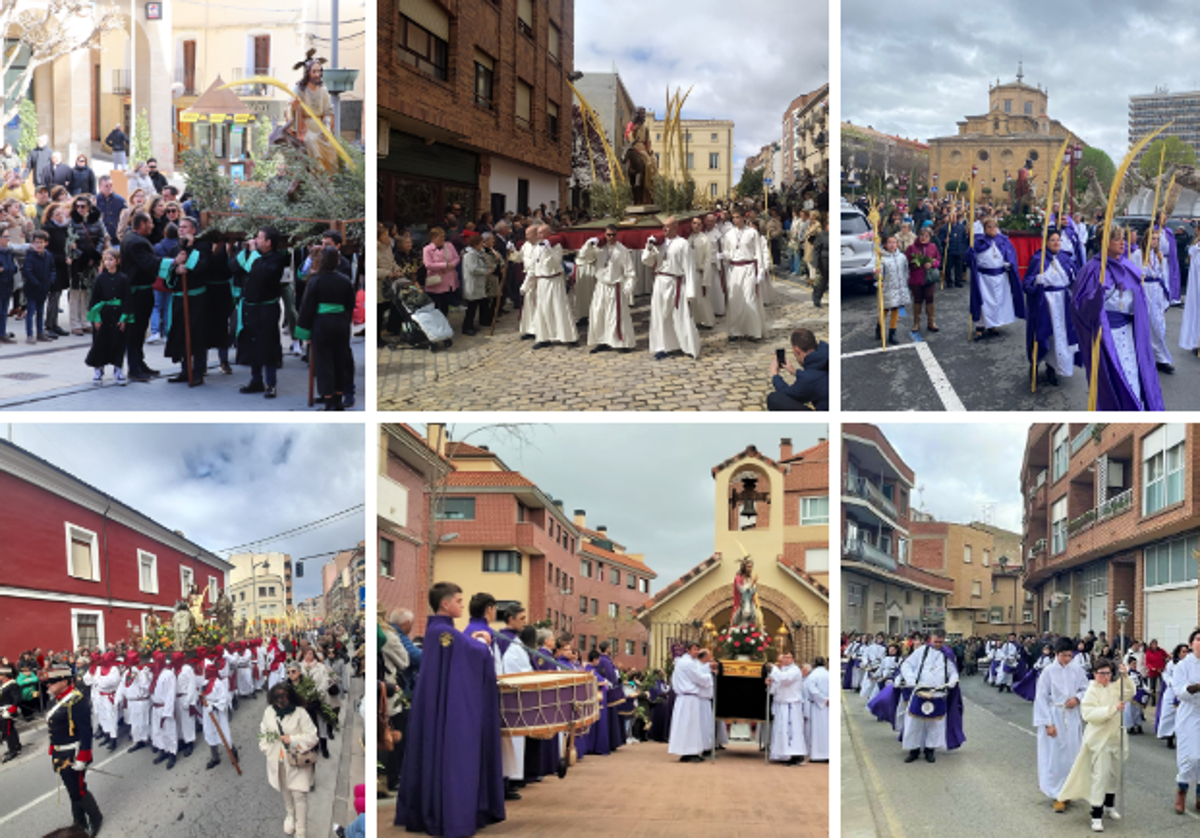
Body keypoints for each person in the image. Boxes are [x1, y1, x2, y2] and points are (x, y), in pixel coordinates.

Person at [396, 582, 506, 837]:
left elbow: (462, 649)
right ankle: (452, 817)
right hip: (448, 710)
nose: (461, 604)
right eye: (458, 600)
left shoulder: (441, 632)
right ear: (445, 604)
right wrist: (482, 640)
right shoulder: (443, 633)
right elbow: (472, 653)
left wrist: (474, 640)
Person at [1071, 225, 1164, 410]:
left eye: (1123, 238)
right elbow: (1079, 307)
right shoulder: (1091, 269)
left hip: (1129, 333)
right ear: (1104, 242)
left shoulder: (1128, 265)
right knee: (1115, 377)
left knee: (1134, 374)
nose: (1123, 242)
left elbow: (1137, 299)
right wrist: (1096, 296)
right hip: (1107, 337)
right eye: (1117, 239)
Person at [1057, 658, 1133, 832]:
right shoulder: (1091, 691)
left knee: (1115, 773)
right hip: (1100, 740)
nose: (1105, 677)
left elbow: (1129, 692)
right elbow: (1089, 715)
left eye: (1108, 673)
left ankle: (1109, 806)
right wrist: (1112, 709)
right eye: (1101, 674)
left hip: (1117, 737)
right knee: (1101, 775)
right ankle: (1096, 814)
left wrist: (1125, 676)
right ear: (1094, 674)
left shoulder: (1115, 687)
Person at [45, 664, 103, 836]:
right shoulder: (55, 699)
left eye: (52, 681)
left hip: (73, 754)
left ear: (64, 681)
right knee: (72, 790)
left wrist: (83, 757)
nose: (49, 685)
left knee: (79, 790)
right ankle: (79, 821)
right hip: (59, 753)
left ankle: (96, 818)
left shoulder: (77, 700)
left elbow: (86, 731)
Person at [296, 245, 356, 409]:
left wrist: (305, 333)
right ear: (337, 261)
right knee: (339, 361)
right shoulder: (345, 280)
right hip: (340, 324)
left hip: (321, 324)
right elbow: (350, 304)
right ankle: (338, 399)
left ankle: (329, 401)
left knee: (324, 363)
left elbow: (307, 307)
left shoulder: (315, 281)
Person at [233, 226, 287, 398]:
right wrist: (246, 252)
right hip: (250, 307)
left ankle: (270, 383)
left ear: (268, 242)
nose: (255, 240)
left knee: (268, 345)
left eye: (259, 238)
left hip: (267, 308)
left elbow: (261, 273)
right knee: (252, 345)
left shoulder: (276, 259)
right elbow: (233, 267)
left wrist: (254, 253)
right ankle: (256, 381)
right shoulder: (253, 255)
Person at [1036, 638, 1089, 812]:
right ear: (1057, 654)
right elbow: (1041, 698)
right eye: (1065, 655)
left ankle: (1069, 791)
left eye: (1070, 655)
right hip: (1055, 714)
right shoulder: (1048, 672)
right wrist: (1047, 723)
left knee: (1072, 754)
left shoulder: (1077, 670)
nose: (1068, 659)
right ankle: (1056, 793)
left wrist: (1077, 699)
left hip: (1071, 716)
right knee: (1055, 756)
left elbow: (1085, 688)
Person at [261, 682, 319, 838]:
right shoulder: (269, 712)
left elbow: (312, 737)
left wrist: (292, 739)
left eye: (283, 699)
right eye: (276, 700)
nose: (280, 703)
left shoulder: (300, 713)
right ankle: (290, 815)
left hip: (297, 760)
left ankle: (301, 830)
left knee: (299, 795)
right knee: (285, 790)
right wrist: (266, 749)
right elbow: (263, 731)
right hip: (277, 760)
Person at [1023, 230, 1079, 386]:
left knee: (1058, 336)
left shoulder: (1065, 258)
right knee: (1042, 333)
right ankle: (1035, 363)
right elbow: (1026, 284)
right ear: (1046, 242)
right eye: (1053, 240)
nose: (1056, 243)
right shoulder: (1038, 259)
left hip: (1062, 304)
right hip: (1045, 304)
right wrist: (1036, 280)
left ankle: (1052, 367)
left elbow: (1075, 278)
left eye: (1058, 240)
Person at [642, 216, 700, 360]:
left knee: (680, 315)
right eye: (663, 226)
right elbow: (648, 262)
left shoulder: (683, 244)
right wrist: (649, 248)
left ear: (676, 226)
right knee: (660, 315)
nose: (664, 229)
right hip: (660, 281)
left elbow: (689, 268)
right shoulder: (659, 243)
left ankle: (686, 345)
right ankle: (663, 346)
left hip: (676, 282)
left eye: (668, 226)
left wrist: (690, 292)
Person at [898, 631, 960, 763]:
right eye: (935, 641)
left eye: (940, 642)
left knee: (935, 724)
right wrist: (911, 680)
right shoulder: (921, 651)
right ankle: (913, 750)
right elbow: (907, 665)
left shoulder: (946, 654)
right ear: (930, 640)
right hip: (920, 691)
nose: (938, 644)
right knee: (914, 723)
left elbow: (953, 672)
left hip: (938, 693)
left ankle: (930, 749)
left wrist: (952, 681)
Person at [163, 216, 209, 386]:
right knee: (181, 334)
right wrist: (176, 268)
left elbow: (200, 267)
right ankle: (185, 370)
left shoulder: (202, 247)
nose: (181, 229)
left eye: (185, 227)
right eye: (179, 227)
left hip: (197, 298)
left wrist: (188, 256)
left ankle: (198, 371)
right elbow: (167, 273)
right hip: (179, 298)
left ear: (194, 230)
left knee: (197, 334)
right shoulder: (175, 248)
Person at [578, 226, 636, 353]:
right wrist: (589, 244)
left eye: (613, 235)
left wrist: (628, 287)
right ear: (604, 234)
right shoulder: (598, 248)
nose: (611, 237)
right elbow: (583, 256)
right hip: (600, 286)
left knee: (616, 316)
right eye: (608, 235)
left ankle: (621, 342)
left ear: (617, 235)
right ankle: (602, 341)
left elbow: (630, 271)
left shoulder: (622, 250)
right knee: (599, 314)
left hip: (615, 287)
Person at [967, 217, 1024, 339]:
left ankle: (993, 325)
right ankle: (980, 327)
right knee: (983, 301)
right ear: (984, 229)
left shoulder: (1003, 241)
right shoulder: (978, 242)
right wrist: (971, 253)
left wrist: (1009, 263)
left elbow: (1011, 255)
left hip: (1000, 277)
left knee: (998, 301)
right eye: (989, 227)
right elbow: (968, 259)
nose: (992, 229)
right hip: (984, 278)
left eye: (994, 226)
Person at [524, 224, 577, 349]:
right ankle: (544, 337)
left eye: (542, 233)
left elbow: (554, 263)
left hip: (554, 280)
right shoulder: (537, 247)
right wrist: (526, 284)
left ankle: (567, 336)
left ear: (549, 233)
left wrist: (548, 250)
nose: (539, 236)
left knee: (558, 308)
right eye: (538, 233)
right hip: (542, 281)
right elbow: (533, 266)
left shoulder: (556, 246)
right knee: (542, 310)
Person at [84, 248, 131, 385]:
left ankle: (117, 369)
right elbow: (94, 299)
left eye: (111, 259)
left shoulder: (123, 278)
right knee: (99, 342)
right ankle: (98, 369)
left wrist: (124, 318)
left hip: (117, 315)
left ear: (117, 261)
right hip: (103, 314)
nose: (108, 262)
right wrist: (96, 318)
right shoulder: (100, 278)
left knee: (118, 342)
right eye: (106, 260)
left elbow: (127, 299)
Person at [721, 207, 768, 342]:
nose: (735, 220)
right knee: (734, 300)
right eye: (733, 217)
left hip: (748, 268)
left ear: (743, 218)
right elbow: (728, 252)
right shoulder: (729, 234)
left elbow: (758, 252)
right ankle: (736, 331)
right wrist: (723, 256)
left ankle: (754, 331)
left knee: (749, 299)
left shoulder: (752, 233)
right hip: (734, 269)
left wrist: (760, 271)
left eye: (737, 217)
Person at [668, 641, 715, 762]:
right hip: (689, 698)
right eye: (694, 649)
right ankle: (689, 753)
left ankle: (688, 752)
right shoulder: (688, 663)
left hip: (686, 698)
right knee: (689, 726)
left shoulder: (684, 662)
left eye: (698, 649)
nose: (696, 652)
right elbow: (699, 677)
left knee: (688, 726)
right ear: (688, 650)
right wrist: (711, 676)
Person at [1171, 629, 1200, 814]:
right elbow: (1179, 691)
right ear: (1191, 644)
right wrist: (1196, 687)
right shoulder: (1183, 665)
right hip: (1189, 714)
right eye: (1198, 639)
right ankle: (1181, 791)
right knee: (1190, 756)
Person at [1140, 227, 1175, 374]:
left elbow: (1164, 277)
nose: (1155, 241)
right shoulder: (1138, 255)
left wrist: (1166, 295)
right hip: (1145, 292)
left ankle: (1161, 357)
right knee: (1147, 327)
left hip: (1157, 293)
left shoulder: (1159, 256)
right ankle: (1151, 358)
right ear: (1147, 239)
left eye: (1157, 239)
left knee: (1159, 327)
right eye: (1153, 238)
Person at [767, 327, 828, 411]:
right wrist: (794, 371)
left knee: (774, 399)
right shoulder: (827, 352)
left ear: (797, 350)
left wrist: (775, 375)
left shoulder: (808, 379)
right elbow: (817, 375)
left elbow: (786, 393)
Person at [766, 651, 806, 765]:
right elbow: (777, 687)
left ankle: (796, 755)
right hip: (782, 703)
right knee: (782, 730)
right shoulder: (782, 671)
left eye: (788, 657)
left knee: (792, 731)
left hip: (792, 704)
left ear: (793, 659)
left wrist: (774, 669)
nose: (786, 660)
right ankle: (784, 754)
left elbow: (784, 679)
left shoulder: (794, 670)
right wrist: (771, 683)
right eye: (784, 657)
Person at [460, 233, 498, 336]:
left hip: (479, 282)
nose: (482, 244)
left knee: (477, 304)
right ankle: (467, 327)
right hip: (473, 283)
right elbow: (473, 268)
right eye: (481, 243)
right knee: (471, 307)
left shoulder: (477, 253)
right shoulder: (470, 254)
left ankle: (472, 325)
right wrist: (486, 271)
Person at [199, 661, 234, 770]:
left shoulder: (219, 684)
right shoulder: (205, 683)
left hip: (218, 712)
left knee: (223, 733)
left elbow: (225, 698)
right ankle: (215, 757)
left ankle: (233, 753)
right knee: (209, 732)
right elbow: (202, 693)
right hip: (207, 712)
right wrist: (201, 697)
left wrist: (214, 707)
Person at [875, 233, 911, 343]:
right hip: (888, 288)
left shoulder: (902, 257)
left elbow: (906, 270)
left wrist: (905, 281)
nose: (892, 245)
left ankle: (892, 333)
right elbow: (877, 276)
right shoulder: (881, 259)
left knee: (895, 309)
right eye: (889, 242)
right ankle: (879, 327)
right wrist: (878, 273)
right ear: (885, 245)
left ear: (897, 244)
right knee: (885, 309)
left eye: (894, 242)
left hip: (899, 288)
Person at [906, 224, 941, 332]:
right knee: (917, 299)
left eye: (926, 236)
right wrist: (914, 263)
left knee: (930, 298)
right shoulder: (911, 248)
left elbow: (938, 259)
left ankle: (931, 322)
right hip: (916, 278)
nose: (923, 237)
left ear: (930, 237)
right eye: (921, 235)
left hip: (929, 277)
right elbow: (906, 262)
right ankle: (916, 323)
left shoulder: (933, 247)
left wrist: (932, 264)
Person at [22, 229, 54, 344]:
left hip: (44, 289)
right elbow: (28, 272)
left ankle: (40, 332)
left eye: (41, 242)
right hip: (32, 289)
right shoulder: (31, 256)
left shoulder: (48, 256)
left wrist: (50, 280)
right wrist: (36, 283)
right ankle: (30, 334)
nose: (39, 245)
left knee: (41, 312)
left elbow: (52, 269)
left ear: (46, 243)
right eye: (37, 242)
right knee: (30, 312)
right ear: (33, 243)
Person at [149, 649, 178, 770]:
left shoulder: (168, 674)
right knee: (157, 730)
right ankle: (163, 750)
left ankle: (172, 753)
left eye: (156, 662)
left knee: (169, 730)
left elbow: (171, 694)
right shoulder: (157, 674)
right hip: (156, 707)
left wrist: (167, 711)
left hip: (164, 707)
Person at [121, 651, 151, 754]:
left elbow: (147, 687)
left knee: (144, 721)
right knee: (134, 722)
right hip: (131, 701)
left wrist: (139, 677)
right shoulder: (126, 673)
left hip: (141, 700)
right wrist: (119, 698)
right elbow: (123, 685)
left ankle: (150, 739)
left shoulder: (143, 672)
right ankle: (138, 741)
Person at [804, 657, 831, 762]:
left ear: (814, 664)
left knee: (816, 730)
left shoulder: (812, 676)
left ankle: (816, 755)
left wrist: (823, 700)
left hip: (817, 706)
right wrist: (828, 699)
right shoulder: (829, 674)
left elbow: (812, 690)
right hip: (828, 705)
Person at [0, 665, 22, 762]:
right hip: (3, 709)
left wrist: (11, 711)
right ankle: (16, 745)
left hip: (8, 710)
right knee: (11, 729)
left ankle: (12, 750)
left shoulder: (12, 684)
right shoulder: (3, 684)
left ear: (4, 675)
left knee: (8, 730)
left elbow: (17, 699)